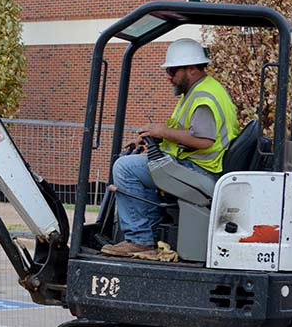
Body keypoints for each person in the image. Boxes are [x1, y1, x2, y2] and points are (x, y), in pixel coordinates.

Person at [101, 38, 239, 257]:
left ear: (192, 69)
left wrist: (162, 132)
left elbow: (204, 140)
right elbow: (183, 133)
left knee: (125, 169)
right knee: (139, 168)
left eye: (173, 71)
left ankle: (139, 240)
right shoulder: (198, 91)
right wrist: (151, 135)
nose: (169, 76)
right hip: (198, 167)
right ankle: (152, 232)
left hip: (201, 170)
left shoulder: (204, 97)